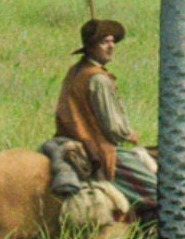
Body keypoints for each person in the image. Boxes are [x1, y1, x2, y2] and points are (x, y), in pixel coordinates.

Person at [55, 18, 158, 209]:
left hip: (69, 138)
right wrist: (129, 134)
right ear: (91, 47)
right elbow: (112, 128)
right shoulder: (98, 79)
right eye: (104, 42)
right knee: (160, 193)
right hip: (96, 147)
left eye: (112, 42)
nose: (111, 47)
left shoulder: (76, 70)